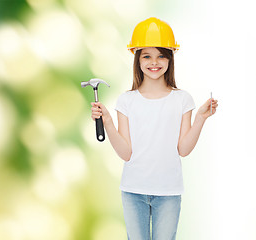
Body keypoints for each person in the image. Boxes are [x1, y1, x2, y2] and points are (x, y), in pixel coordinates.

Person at [91, 17, 218, 240]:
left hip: (168, 192)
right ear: (137, 59)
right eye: (147, 56)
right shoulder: (126, 101)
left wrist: (200, 118)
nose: (154, 62)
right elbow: (126, 153)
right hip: (133, 191)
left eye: (161, 55)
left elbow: (183, 149)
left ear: (170, 58)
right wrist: (108, 122)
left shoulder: (182, 99)